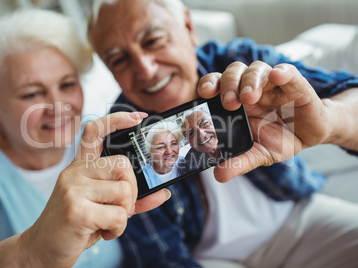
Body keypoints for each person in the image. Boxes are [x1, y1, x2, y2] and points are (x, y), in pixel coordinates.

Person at [87, 0, 358, 267]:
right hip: (208, 257)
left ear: (189, 27)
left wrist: (330, 123)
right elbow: (160, 257)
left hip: (296, 215)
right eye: (119, 59)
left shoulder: (242, 61)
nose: (146, 69)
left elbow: (347, 91)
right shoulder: (119, 135)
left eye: (153, 40)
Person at [0, 9, 169, 267]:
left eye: (67, 85)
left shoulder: (97, 137)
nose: (58, 107)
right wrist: (31, 252)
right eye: (31, 94)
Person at [180, 108, 223, 175]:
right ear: (189, 142)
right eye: (191, 133)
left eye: (204, 124)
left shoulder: (236, 140)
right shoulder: (188, 165)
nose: (201, 134)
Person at [142, 121, 184, 188]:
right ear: (150, 154)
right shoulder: (144, 176)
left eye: (173, 144)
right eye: (160, 147)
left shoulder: (187, 163)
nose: (169, 151)